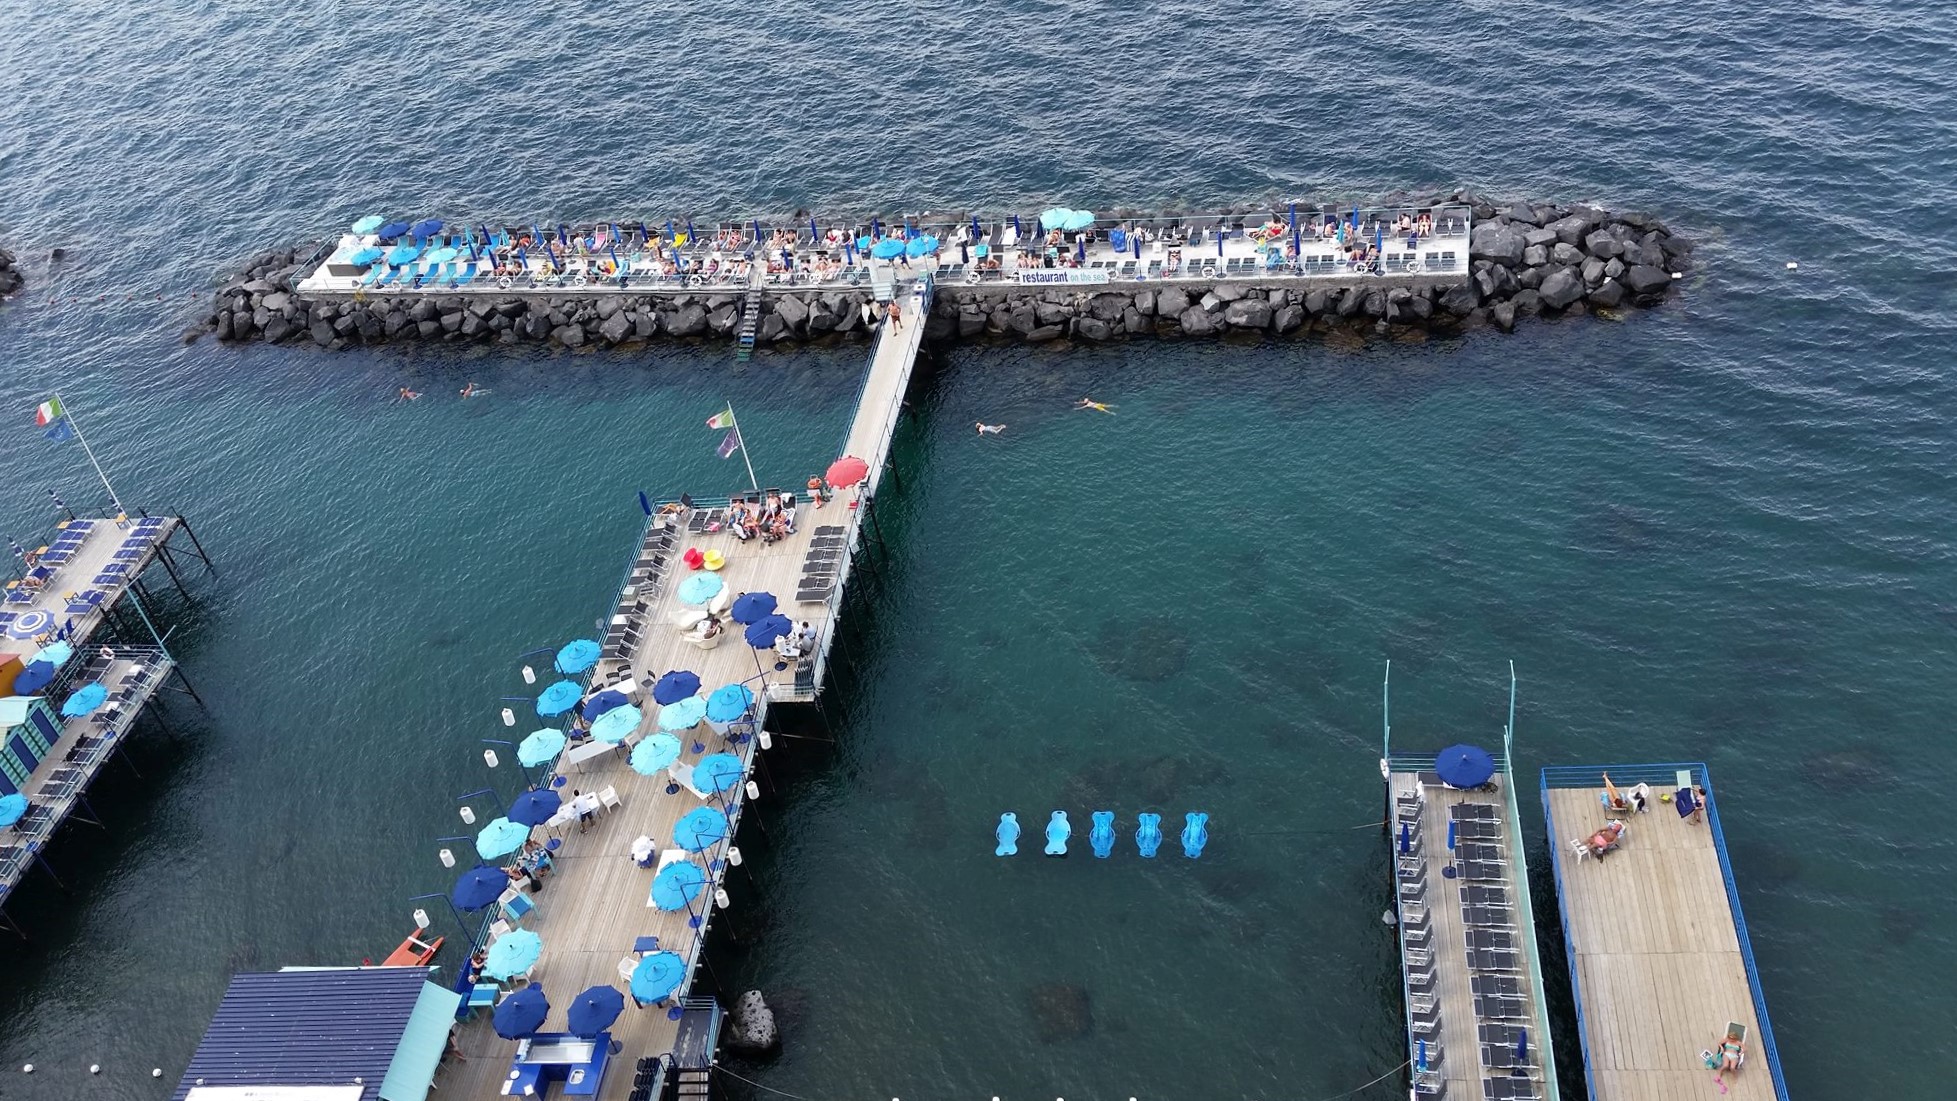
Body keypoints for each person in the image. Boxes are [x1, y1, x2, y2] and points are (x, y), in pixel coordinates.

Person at [1710, 1025, 1744, 1090]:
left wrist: (1741, 1053)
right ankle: (1719, 1074)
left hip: (1734, 1055)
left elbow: (1744, 1048)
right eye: (1730, 1038)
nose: (1731, 1039)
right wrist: (1722, 1048)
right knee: (1725, 1065)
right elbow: (1719, 1043)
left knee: (1732, 1068)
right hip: (1727, 1054)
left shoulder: (1738, 1043)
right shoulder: (1727, 1040)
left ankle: (1735, 1077)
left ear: (1735, 1038)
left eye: (1732, 1038)